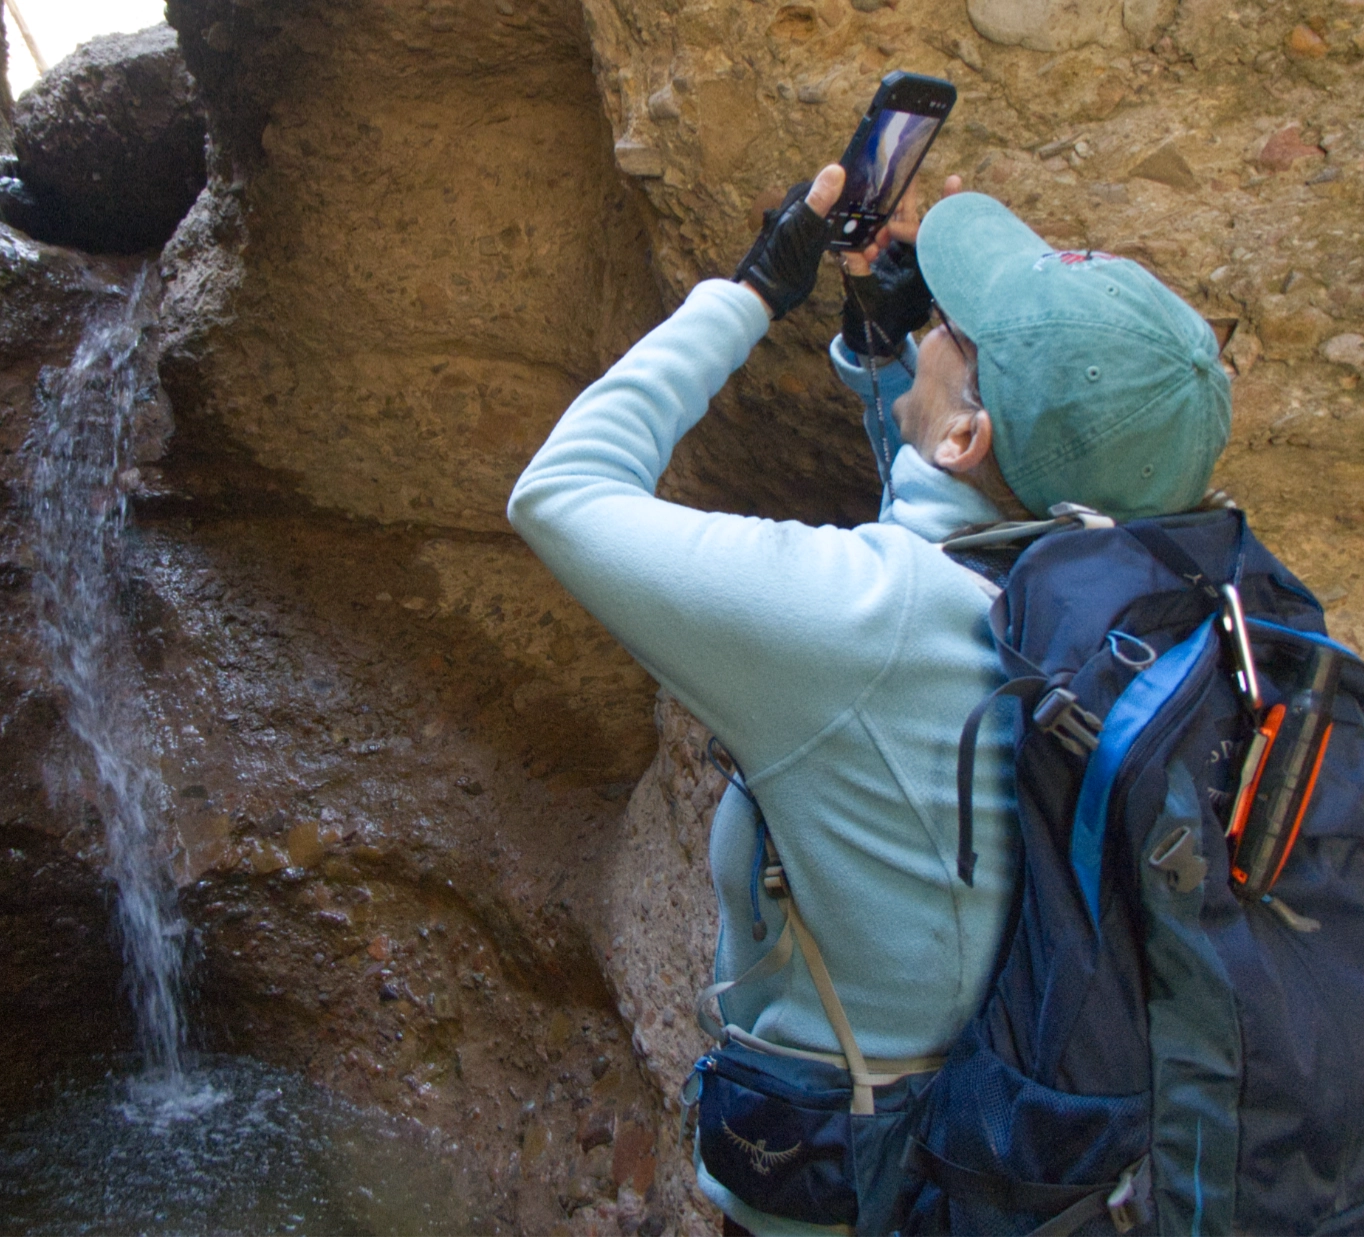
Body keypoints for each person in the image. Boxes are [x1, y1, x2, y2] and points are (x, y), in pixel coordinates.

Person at [507, 163, 1230, 1236]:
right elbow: (948, 532)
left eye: (958, 328)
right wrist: (894, 352)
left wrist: (749, 290)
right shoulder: (1155, 597)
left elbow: (561, 494)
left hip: (848, 1181)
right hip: (1030, 1161)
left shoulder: (867, 626)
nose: (936, 321)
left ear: (969, 439)